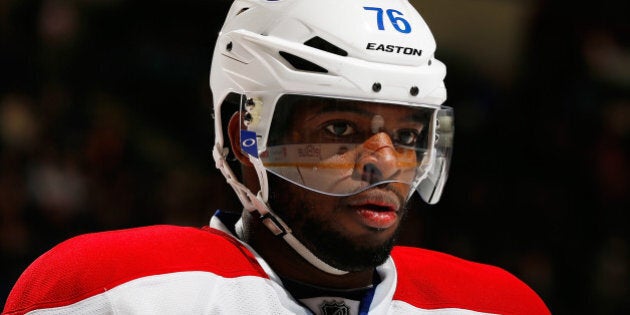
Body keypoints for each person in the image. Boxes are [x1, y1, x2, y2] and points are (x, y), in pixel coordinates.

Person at [3, 0, 551, 314]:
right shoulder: (111, 293)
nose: (384, 163)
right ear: (245, 137)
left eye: (408, 137)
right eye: (341, 128)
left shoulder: (494, 305)